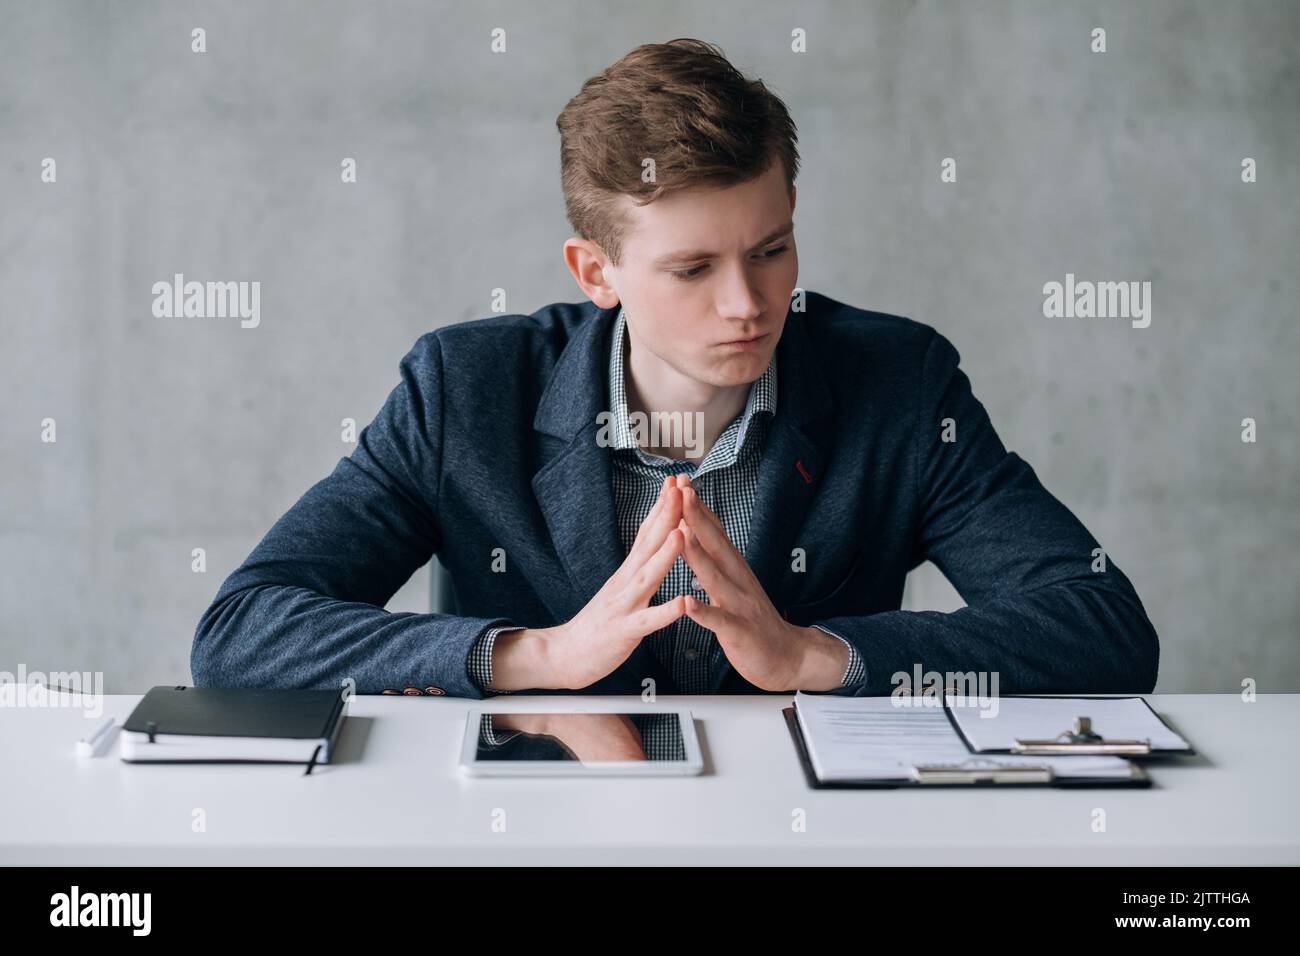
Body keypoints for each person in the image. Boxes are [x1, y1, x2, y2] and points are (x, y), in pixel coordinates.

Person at [191, 39, 1159, 715]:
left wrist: (820, 656)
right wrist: (538, 654)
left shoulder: (901, 388)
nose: (749, 303)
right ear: (594, 272)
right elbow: (240, 633)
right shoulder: (463, 392)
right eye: (692, 269)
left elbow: (1101, 624)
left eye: (772, 249)